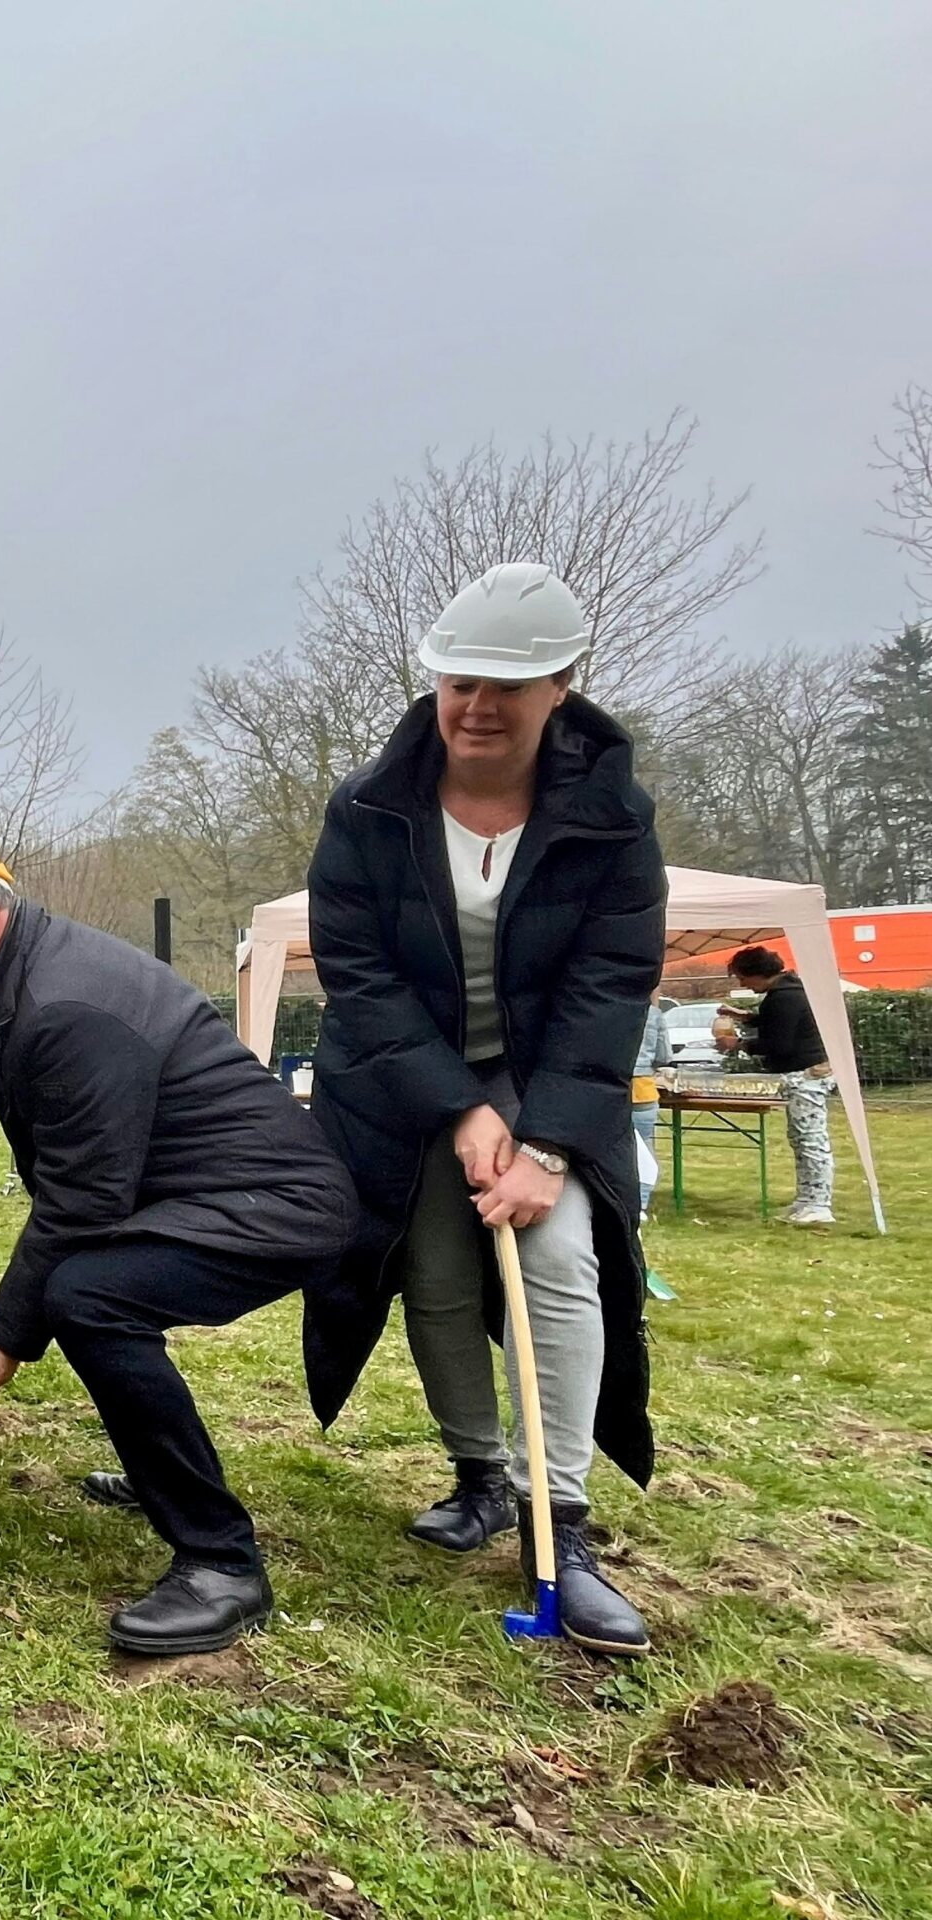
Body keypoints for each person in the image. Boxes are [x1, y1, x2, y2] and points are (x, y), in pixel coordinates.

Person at [0, 822, 357, 1654]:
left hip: (276, 1204)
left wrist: (7, 1336)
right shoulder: (24, 976)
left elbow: (81, 1200)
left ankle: (221, 1560)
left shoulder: (65, 1001)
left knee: (88, 1297)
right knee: (92, 1288)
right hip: (198, 1194)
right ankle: (157, 1470)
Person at [306, 562, 664, 1658]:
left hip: (551, 1075)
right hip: (401, 1079)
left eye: (507, 685)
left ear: (561, 686)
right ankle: (476, 1477)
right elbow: (356, 974)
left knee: (557, 1259)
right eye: (461, 680)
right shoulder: (368, 806)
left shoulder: (611, 820)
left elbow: (611, 983)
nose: (477, 705)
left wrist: (545, 1137)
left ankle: (557, 1522)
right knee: (435, 1270)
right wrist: (460, 1111)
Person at [720, 945, 835, 1226]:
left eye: (742, 978)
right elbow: (779, 1023)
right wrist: (746, 1017)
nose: (742, 984)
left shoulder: (781, 998)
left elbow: (778, 1043)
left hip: (805, 1075)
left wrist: (739, 1044)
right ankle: (807, 1199)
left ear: (757, 973)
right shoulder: (788, 992)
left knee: (811, 1140)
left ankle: (820, 1204)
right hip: (808, 1073)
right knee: (801, 1138)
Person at [633, 1000, 668, 1222]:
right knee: (644, 1148)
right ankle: (641, 1202)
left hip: (604, 1089)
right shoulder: (654, 1014)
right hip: (643, 1089)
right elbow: (663, 1056)